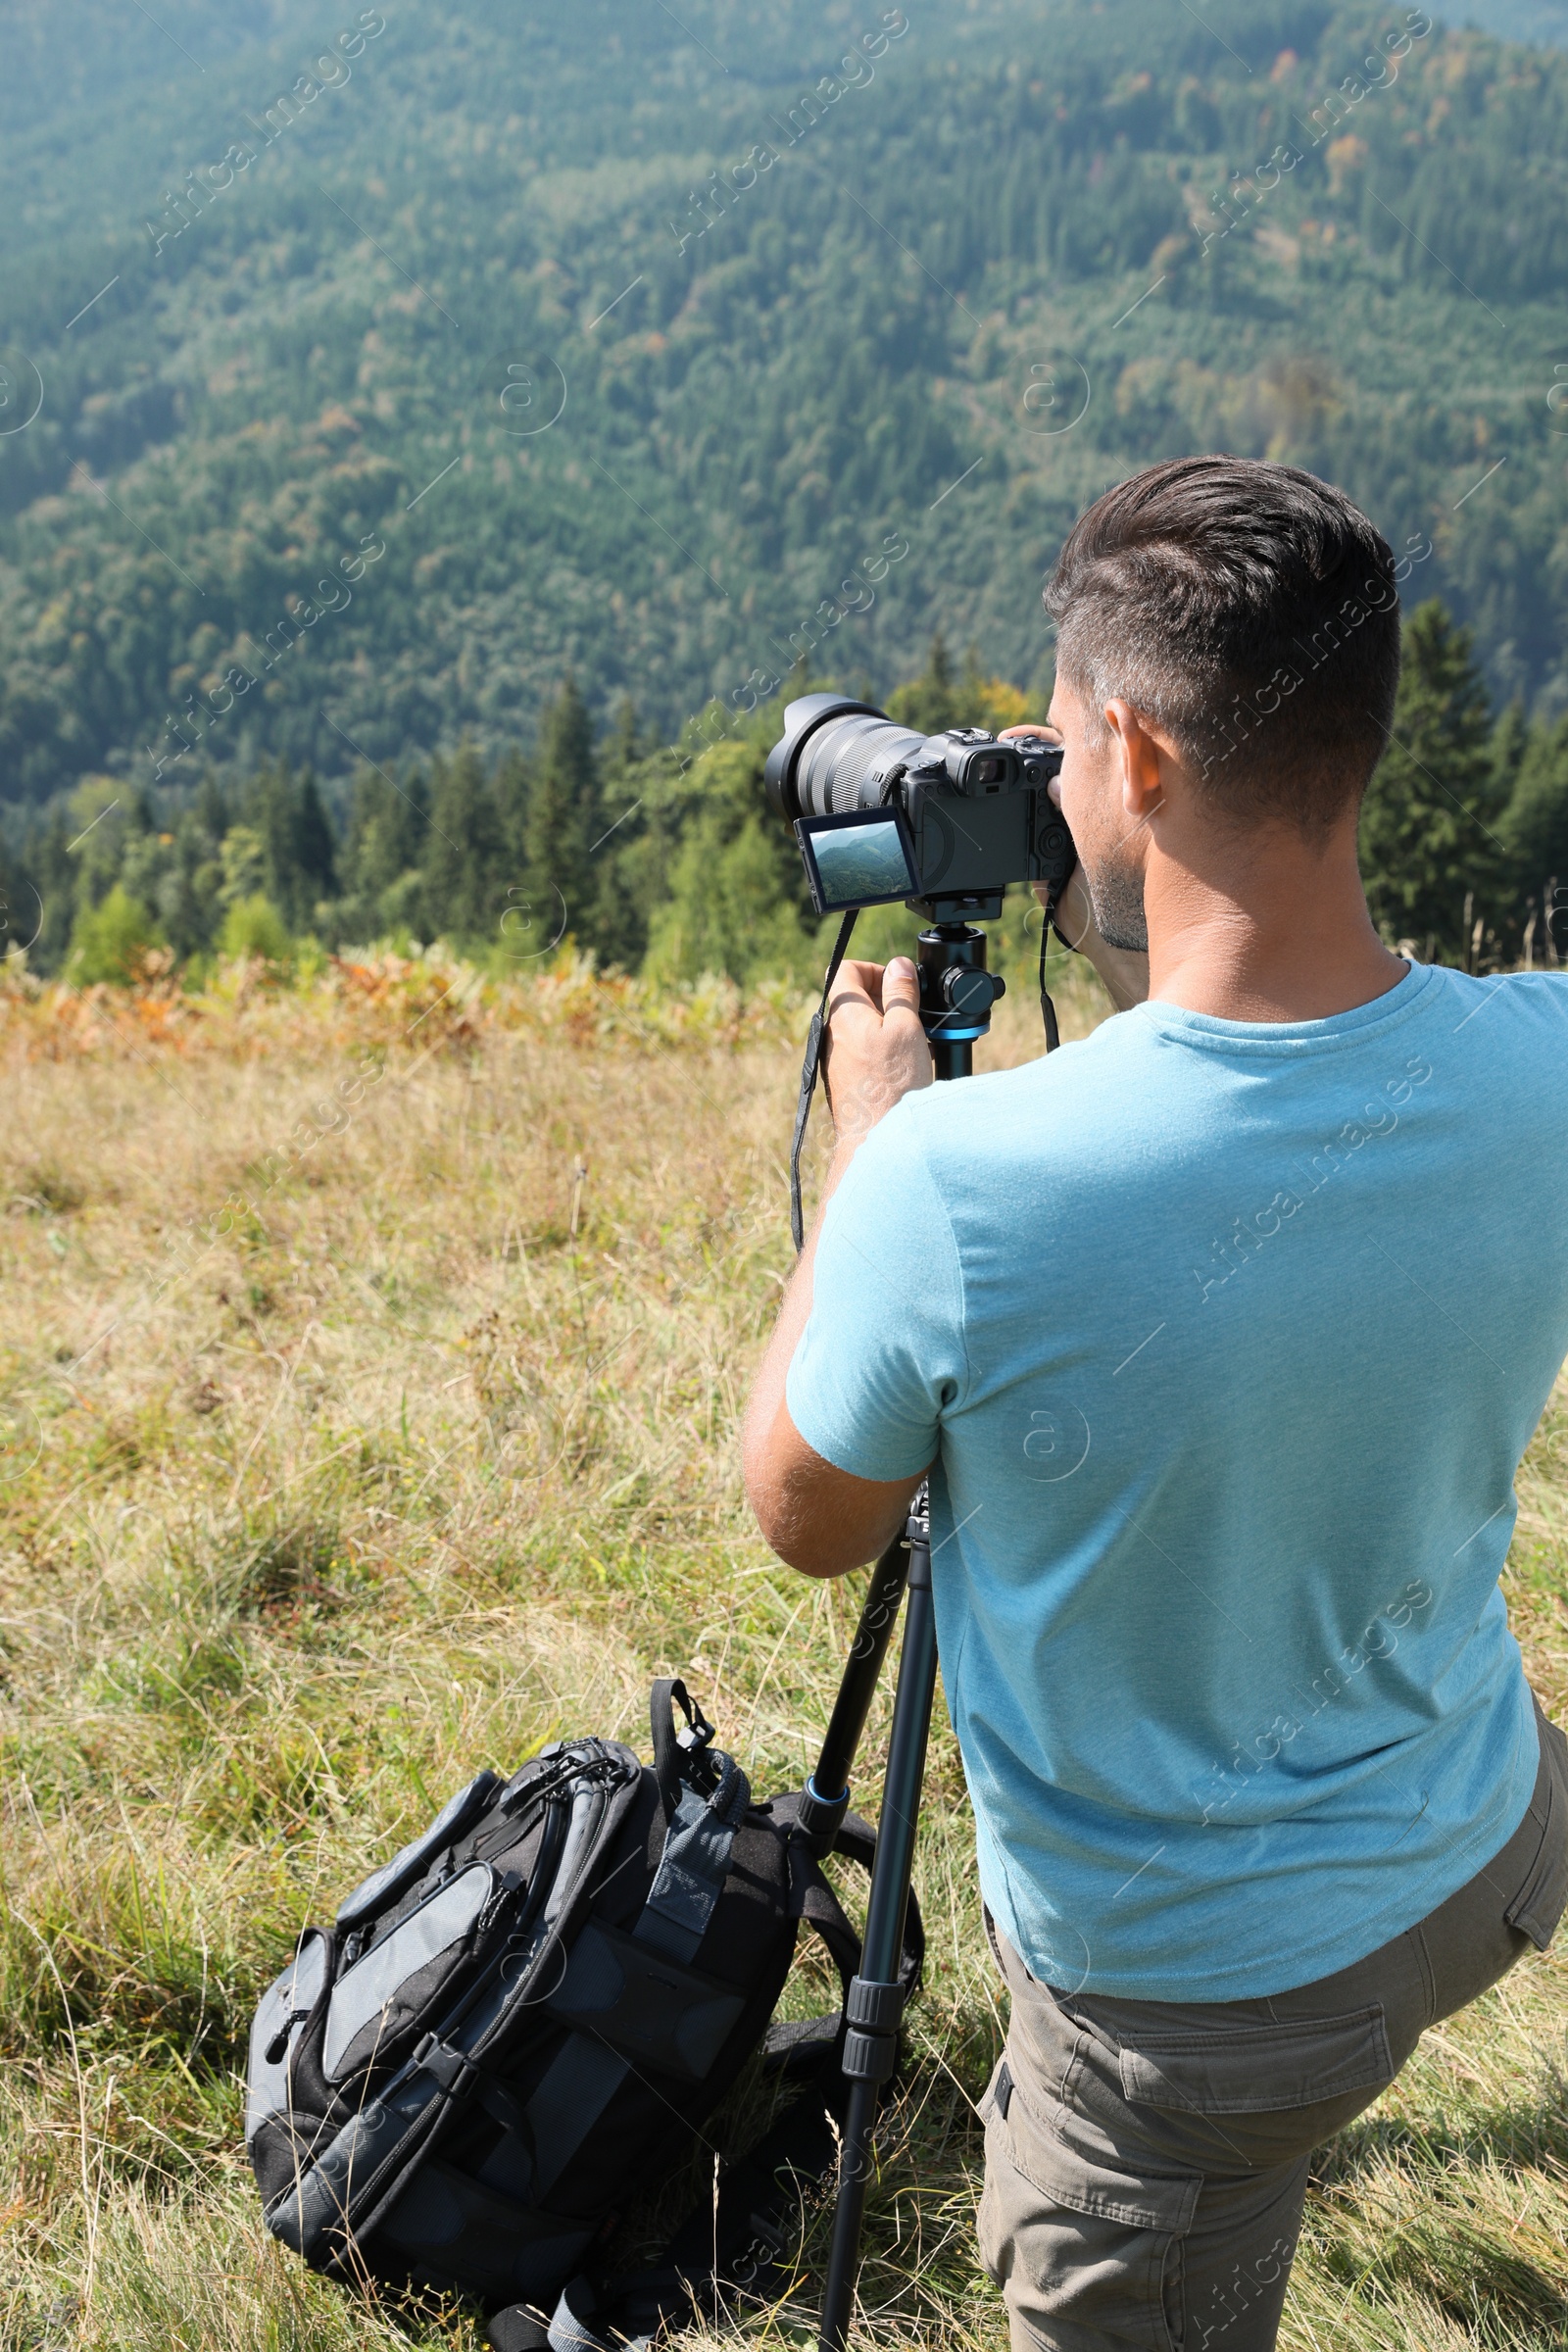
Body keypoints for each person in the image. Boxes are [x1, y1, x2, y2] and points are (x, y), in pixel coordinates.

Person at [741, 455, 1568, 2352]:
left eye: (1047, 742)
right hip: (1479, 1835)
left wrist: (880, 1157)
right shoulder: (1538, 1066)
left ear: (1132, 753)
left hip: (1193, 2007)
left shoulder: (964, 1184)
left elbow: (809, 1519)